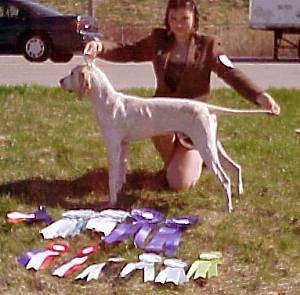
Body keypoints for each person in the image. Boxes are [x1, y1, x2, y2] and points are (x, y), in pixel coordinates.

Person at [83, 0, 280, 191]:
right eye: (173, 18)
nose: (178, 24)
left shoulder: (208, 45)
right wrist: (100, 47)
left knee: (179, 183)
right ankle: (178, 165)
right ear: (167, 19)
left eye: (184, 18)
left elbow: (231, 73)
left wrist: (260, 96)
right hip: (161, 116)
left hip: (192, 120)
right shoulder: (158, 40)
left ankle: (196, 156)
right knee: (158, 139)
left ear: (195, 18)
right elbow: (128, 51)